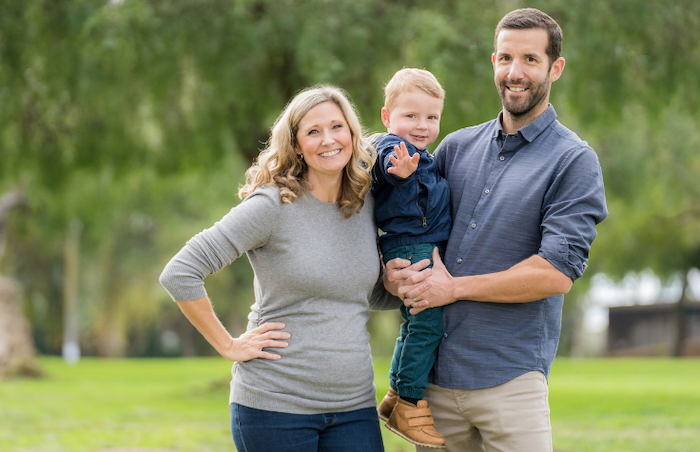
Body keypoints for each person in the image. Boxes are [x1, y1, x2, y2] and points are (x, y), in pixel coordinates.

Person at [384, 8, 608, 452]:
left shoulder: (573, 161)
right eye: (505, 58)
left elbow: (555, 274)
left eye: (530, 59)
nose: (515, 72)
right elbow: (412, 232)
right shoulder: (452, 147)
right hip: (434, 386)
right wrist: (392, 274)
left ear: (554, 68)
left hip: (510, 382)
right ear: (493, 62)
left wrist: (455, 288)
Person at [159, 85, 399, 452]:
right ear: (297, 145)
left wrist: (398, 286)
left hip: (354, 406)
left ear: (352, 134)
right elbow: (181, 272)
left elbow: (358, 295)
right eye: (313, 131)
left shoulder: (363, 203)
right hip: (275, 408)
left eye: (337, 127)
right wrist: (229, 345)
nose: (328, 140)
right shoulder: (272, 205)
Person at [370, 68, 451, 449]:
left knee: (412, 325)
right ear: (388, 117)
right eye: (411, 116)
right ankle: (411, 402)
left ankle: (394, 395)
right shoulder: (391, 148)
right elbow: (384, 164)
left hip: (415, 244)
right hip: (411, 247)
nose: (422, 125)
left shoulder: (425, 154)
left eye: (431, 117)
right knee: (428, 325)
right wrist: (398, 172)